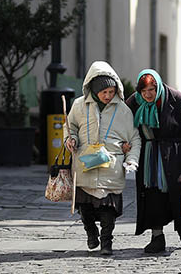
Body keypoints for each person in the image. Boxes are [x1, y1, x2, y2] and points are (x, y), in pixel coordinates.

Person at [125, 68, 181, 253]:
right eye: (144, 91)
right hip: (148, 157)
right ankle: (157, 236)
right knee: (152, 195)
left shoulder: (176, 99)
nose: (148, 95)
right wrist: (124, 144)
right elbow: (124, 127)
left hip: (176, 155)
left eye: (152, 90)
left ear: (158, 87)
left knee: (180, 193)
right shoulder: (132, 103)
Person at [64, 61, 141, 255]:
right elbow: (70, 126)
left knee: (109, 210)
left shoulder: (123, 110)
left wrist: (131, 159)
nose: (108, 96)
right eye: (104, 92)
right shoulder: (79, 105)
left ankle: (107, 242)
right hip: (84, 165)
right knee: (85, 207)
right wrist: (70, 139)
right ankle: (91, 232)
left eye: (111, 92)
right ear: (94, 89)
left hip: (111, 167)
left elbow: (134, 138)